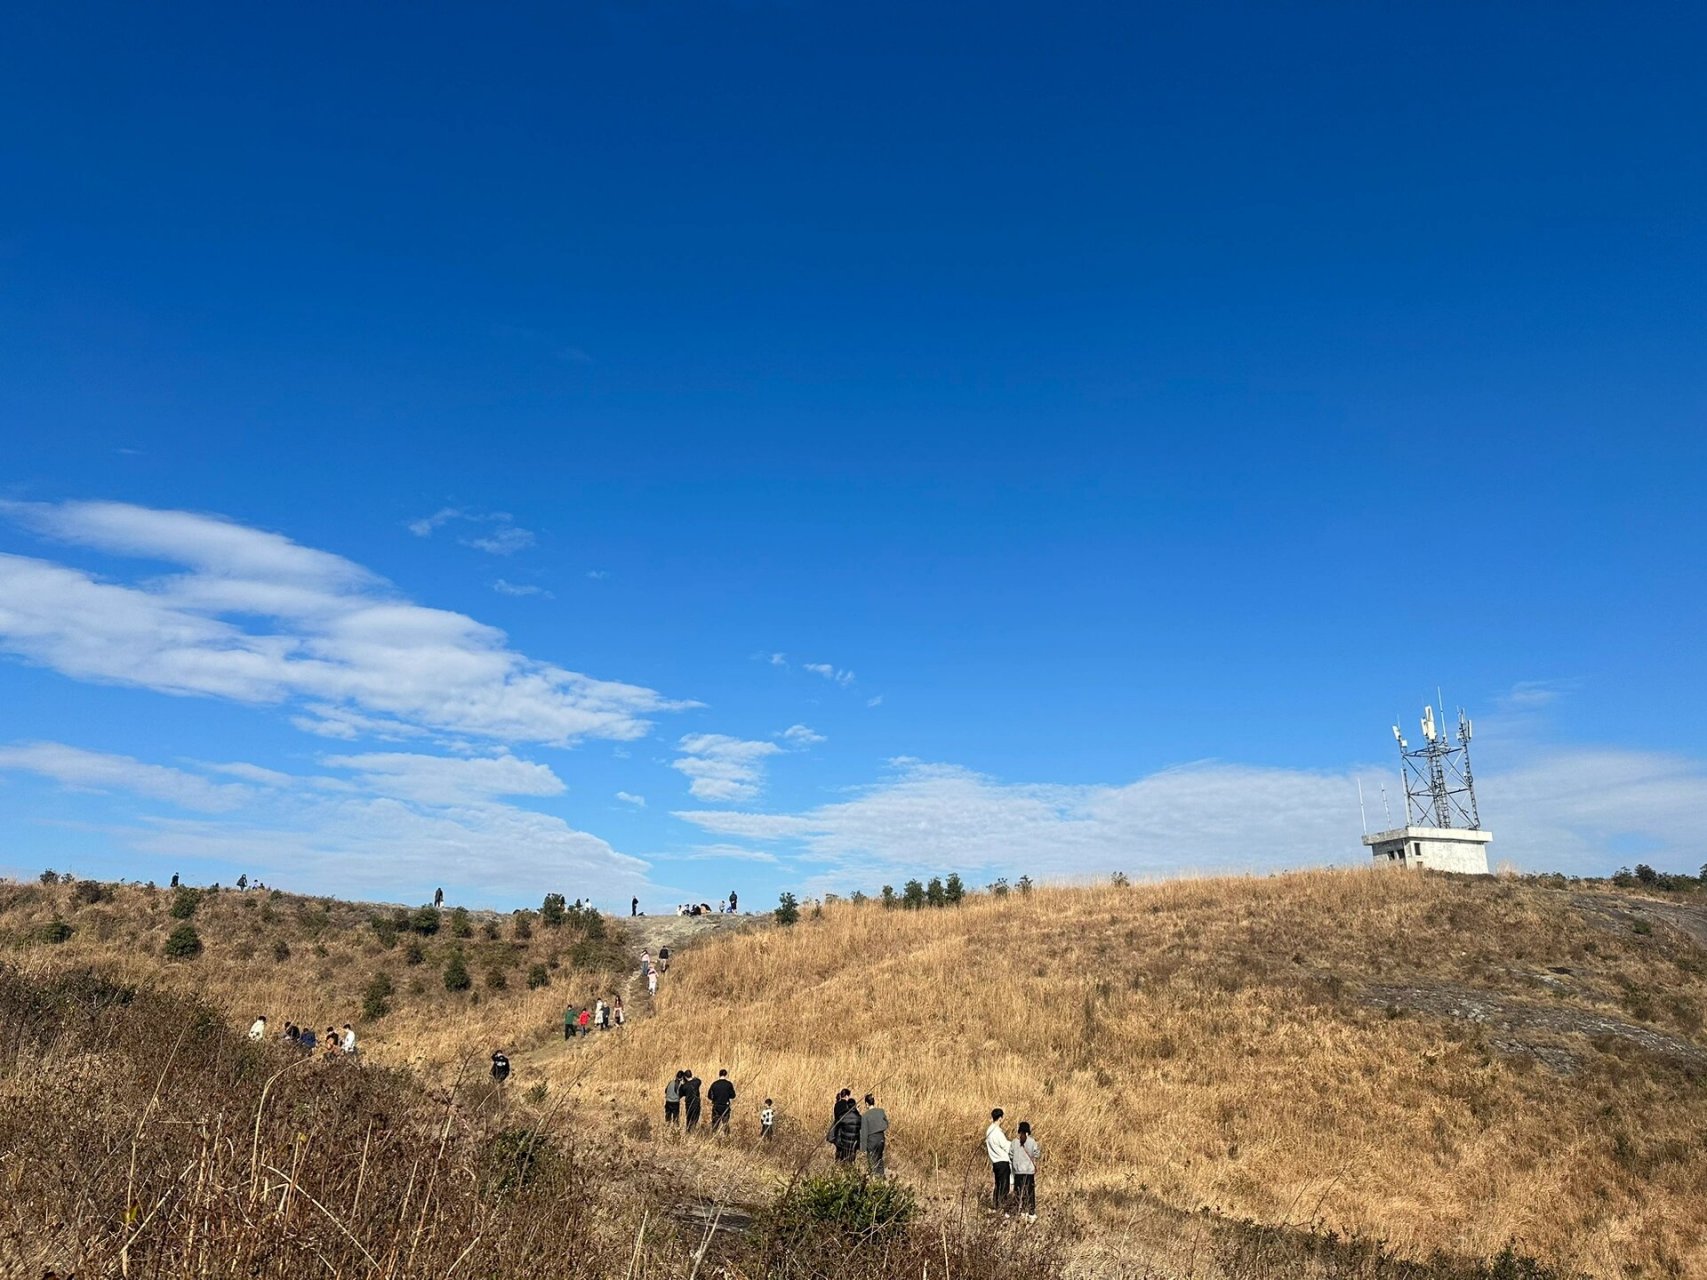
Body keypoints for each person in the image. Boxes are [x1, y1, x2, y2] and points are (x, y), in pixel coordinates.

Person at [1009, 1121, 1040, 1222]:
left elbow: (1010, 1155)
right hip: (1029, 1172)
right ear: (1028, 1131)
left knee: (1018, 1192)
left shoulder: (1014, 1142)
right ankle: (1031, 1213)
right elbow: (1037, 1154)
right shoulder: (1032, 1141)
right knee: (1030, 1192)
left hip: (1018, 1172)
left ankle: (1018, 1212)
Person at [985, 1109, 1011, 1214]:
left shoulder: (989, 1131)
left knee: (998, 1184)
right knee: (1004, 1186)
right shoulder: (997, 1132)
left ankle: (996, 1206)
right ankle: (1001, 1208)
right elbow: (1006, 1146)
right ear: (1000, 1118)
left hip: (995, 1162)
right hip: (1003, 1161)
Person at [827, 1094, 862, 1162]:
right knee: (851, 1160)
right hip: (854, 1144)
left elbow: (836, 1126)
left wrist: (833, 1139)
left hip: (844, 1143)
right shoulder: (859, 1118)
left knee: (843, 1161)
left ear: (847, 1106)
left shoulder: (843, 1116)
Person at [861, 1093, 889, 1176]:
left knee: (872, 1160)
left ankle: (873, 1179)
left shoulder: (865, 1116)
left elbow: (864, 1133)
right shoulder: (881, 1111)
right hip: (881, 1138)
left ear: (866, 1104)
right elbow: (886, 1124)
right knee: (879, 1158)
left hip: (872, 1140)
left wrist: (863, 1148)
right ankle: (881, 1178)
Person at [708, 1068, 736, 1132]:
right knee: (725, 1123)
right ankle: (726, 1137)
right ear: (726, 1075)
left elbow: (709, 1096)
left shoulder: (714, 1084)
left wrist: (714, 1099)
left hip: (716, 1106)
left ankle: (713, 1136)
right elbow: (733, 1096)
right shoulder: (729, 1084)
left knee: (715, 1123)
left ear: (719, 1075)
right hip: (725, 1106)